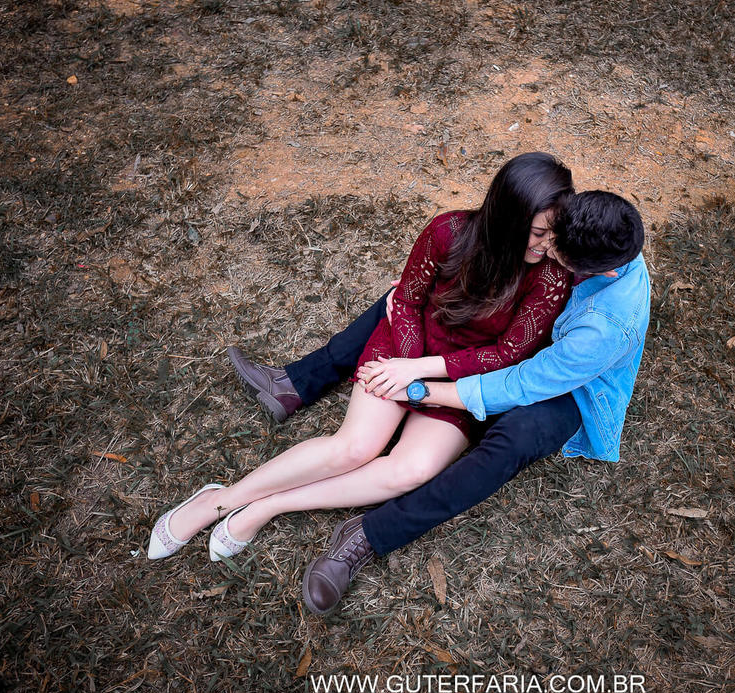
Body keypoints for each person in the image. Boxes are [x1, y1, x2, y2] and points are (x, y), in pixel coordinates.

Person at [229, 190, 650, 615]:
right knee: (423, 299)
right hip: (525, 338)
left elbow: (520, 383)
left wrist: (421, 386)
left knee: (513, 441)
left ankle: (370, 534)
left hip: (563, 387)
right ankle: (295, 384)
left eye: (555, 249)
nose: (544, 247)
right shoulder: (594, 230)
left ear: (603, 272)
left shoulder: (602, 328)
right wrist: (420, 289)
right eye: (547, 234)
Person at [147, 153, 574, 561]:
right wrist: (404, 363)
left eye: (554, 233)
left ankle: (268, 507)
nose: (547, 244)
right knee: (354, 448)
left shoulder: (551, 275)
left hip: (462, 379)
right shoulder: (449, 231)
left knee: (410, 471)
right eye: (538, 232)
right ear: (507, 217)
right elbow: (405, 301)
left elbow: (507, 353)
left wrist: (417, 376)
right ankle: (219, 500)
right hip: (404, 347)